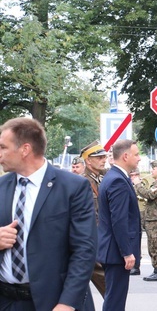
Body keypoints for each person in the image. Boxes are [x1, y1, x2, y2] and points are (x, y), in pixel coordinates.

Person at [0, 117, 97, 310]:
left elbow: (84, 250)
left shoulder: (72, 187)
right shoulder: (2, 186)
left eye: (3, 147)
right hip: (7, 301)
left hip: (54, 303)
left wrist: (67, 303)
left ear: (25, 149)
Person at [97, 139, 142, 311]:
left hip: (113, 250)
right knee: (115, 300)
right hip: (116, 252)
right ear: (125, 156)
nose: (139, 159)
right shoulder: (118, 180)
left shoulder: (115, 177)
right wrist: (127, 252)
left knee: (114, 297)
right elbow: (119, 220)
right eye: (136, 154)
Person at [80, 140, 109, 296]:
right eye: (99, 157)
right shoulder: (82, 182)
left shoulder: (104, 178)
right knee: (105, 280)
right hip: (91, 236)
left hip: (103, 236)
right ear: (88, 160)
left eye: (104, 156)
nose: (103, 160)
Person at [133, 160, 157, 282]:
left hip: (156, 220)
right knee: (151, 247)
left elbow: (149, 195)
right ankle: (156, 270)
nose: (151, 171)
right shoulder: (155, 183)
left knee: (156, 247)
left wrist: (137, 184)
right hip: (151, 219)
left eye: (154, 169)